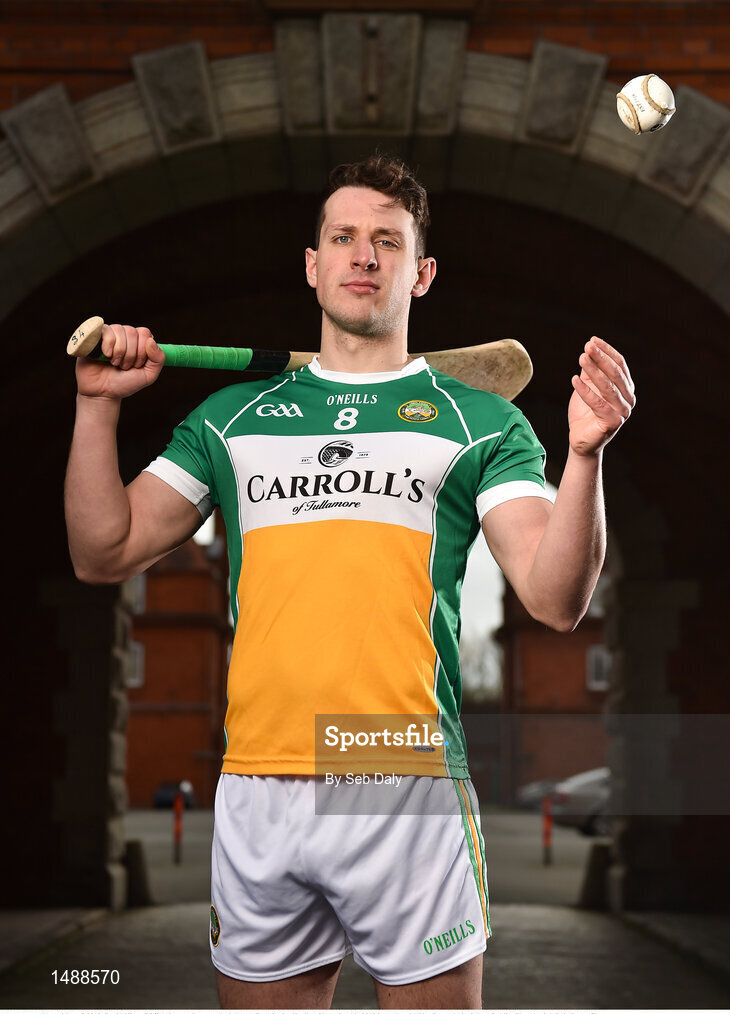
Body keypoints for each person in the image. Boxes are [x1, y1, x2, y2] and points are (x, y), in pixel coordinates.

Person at [65, 153, 635, 1010]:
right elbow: (100, 551)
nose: (363, 255)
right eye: (343, 237)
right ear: (313, 264)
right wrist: (96, 406)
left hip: (400, 776)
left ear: (422, 271)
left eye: (387, 241)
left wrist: (585, 455)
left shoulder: (479, 421)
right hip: (258, 776)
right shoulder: (233, 418)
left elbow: (554, 601)